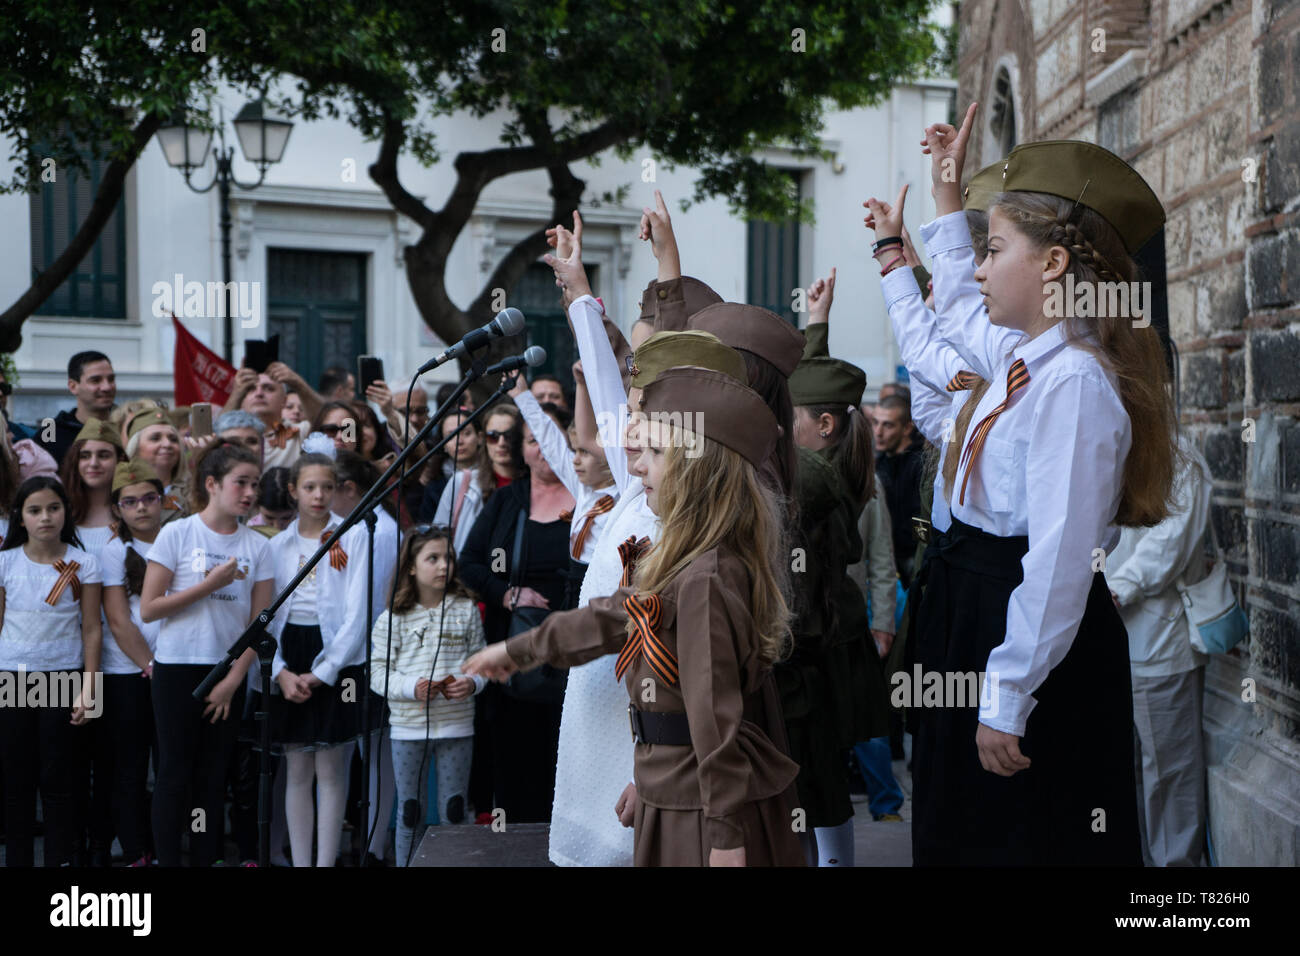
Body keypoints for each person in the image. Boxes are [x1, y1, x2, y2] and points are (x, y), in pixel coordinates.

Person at [869, 105, 1178, 864]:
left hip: (1020, 622)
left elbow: (1059, 561)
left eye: (994, 247)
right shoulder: (1020, 352)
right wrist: (947, 207)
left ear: (1053, 266)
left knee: (1024, 831)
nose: (977, 265)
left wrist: (1007, 697)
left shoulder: (1072, 381)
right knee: (960, 823)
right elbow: (954, 317)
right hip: (972, 605)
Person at [466, 367, 805, 867]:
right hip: (672, 785)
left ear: (699, 471)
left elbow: (715, 717)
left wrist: (726, 835)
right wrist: (519, 651)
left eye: (657, 454)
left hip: (702, 804)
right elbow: (612, 616)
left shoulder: (706, 576)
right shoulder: (688, 559)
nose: (638, 467)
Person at [786, 270, 893, 864]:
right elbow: (808, 395)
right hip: (815, 648)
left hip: (822, 652)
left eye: (790, 422)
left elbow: (800, 423)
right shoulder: (823, 456)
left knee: (819, 788)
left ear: (824, 428)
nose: (778, 432)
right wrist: (817, 327)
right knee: (812, 786)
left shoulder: (824, 477)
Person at [141, 442, 274, 866]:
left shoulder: (259, 546)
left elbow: (260, 625)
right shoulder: (177, 533)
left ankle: (204, 857)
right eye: (241, 482)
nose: (250, 492)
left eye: (255, 483)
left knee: (212, 778)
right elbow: (149, 607)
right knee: (174, 775)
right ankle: (166, 859)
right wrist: (210, 583)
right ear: (212, 484)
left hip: (228, 674)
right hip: (177, 668)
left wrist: (233, 681)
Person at [458, 403, 575, 823]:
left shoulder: (589, 499)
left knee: (565, 758)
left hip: (575, 651)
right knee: (515, 756)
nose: (544, 448)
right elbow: (468, 561)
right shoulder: (508, 500)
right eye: (533, 440)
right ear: (522, 450)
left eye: (551, 437)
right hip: (511, 650)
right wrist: (507, 594)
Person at [1107, 433, 1212, 867]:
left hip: (1156, 641)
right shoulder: (1102, 441)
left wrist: (1116, 588)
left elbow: (1171, 541)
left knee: (1169, 771)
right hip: (1102, 639)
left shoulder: (1177, 456)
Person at [264, 451, 372, 867]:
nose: (319, 495)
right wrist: (280, 673)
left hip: (333, 655)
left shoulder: (353, 535)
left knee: (331, 769)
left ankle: (327, 862)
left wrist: (326, 671)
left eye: (327, 487)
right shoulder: (277, 545)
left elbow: (357, 611)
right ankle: (300, 861)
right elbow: (265, 615)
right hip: (289, 651)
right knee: (296, 770)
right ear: (293, 491)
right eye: (309, 487)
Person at [0, 476, 102, 866]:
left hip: (64, 677)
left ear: (66, 513)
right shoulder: (5, 562)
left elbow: (92, 628)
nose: (45, 517)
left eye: (53, 508)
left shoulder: (83, 563)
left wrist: (90, 689)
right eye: (35, 510)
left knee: (60, 781)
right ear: (20, 518)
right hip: (12, 678)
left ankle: (59, 861)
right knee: (16, 783)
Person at [370, 527, 486, 866]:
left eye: (448, 558)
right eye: (432, 558)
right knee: (410, 811)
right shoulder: (392, 617)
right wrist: (411, 687)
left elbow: (482, 664)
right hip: (408, 729)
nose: (443, 566)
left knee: (454, 808)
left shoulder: (466, 610)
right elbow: (377, 673)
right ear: (411, 566)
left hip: (457, 727)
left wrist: (472, 683)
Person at [58, 418, 126, 865]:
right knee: (68, 761)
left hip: (122, 656)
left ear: (119, 461)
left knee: (114, 761)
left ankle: (104, 845)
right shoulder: (59, 515)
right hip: (70, 655)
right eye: (85, 454)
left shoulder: (133, 509)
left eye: (104, 454)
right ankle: (72, 849)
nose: (94, 462)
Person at [331, 450, 400, 866]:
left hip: (364, 657)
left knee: (375, 755)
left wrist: (332, 662)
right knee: (350, 754)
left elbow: (368, 607)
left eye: (328, 488)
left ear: (350, 489)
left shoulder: (378, 529)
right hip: (344, 654)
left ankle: (374, 847)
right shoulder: (345, 527)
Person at [99, 460, 166, 867]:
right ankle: (136, 849)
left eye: (149, 498)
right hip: (127, 673)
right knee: (129, 765)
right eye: (130, 501)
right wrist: (152, 666)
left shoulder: (177, 538)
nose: (141, 508)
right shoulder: (112, 552)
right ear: (117, 509)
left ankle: (166, 846)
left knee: (170, 764)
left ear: (162, 500)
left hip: (173, 668)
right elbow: (120, 622)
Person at [509, 373, 617, 608]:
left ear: (610, 456)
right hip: (575, 581)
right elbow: (551, 441)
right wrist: (521, 395)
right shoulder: (583, 485)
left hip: (608, 585)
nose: (575, 461)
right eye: (574, 451)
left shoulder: (624, 495)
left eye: (585, 452)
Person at [431, 403, 522, 555]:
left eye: (509, 435)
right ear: (484, 439)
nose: (501, 443)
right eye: (493, 436)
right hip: (469, 573)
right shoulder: (462, 482)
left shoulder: (534, 486)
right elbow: (437, 540)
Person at [224, 362, 326, 471]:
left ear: (284, 401)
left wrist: (298, 384)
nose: (259, 393)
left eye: (268, 388)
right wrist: (236, 393)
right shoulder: (232, 435)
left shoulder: (299, 432)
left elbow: (326, 419)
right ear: (242, 400)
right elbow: (215, 438)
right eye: (251, 389)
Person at [873, 394, 925, 588]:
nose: (878, 432)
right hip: (887, 560)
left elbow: (922, 518)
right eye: (875, 423)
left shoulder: (919, 463)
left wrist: (917, 553)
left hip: (912, 559)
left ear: (907, 428)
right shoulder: (880, 463)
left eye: (888, 425)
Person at [37, 351, 117, 466]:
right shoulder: (51, 433)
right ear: (73, 386)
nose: (107, 387)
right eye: (96, 380)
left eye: (111, 379)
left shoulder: (127, 426)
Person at [124, 408, 188, 519]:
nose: (167, 444)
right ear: (135, 449)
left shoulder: (193, 494)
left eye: (173, 439)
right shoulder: (120, 495)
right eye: (155, 438)